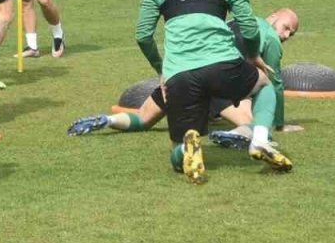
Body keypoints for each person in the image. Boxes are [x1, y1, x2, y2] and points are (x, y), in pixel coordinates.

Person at [135, 0, 292, 184]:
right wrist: (253, 55)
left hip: (180, 74)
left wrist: (163, 70)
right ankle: (259, 138)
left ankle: (187, 148)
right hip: (224, 65)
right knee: (265, 84)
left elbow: (143, 36)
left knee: (177, 153)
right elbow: (249, 26)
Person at [70, 10, 300, 144]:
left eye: (291, 32)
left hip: (181, 69)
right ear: (273, 17)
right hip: (216, 76)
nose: (286, 35)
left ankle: (107, 120)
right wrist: (279, 124)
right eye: (286, 27)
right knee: (258, 119)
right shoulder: (270, 38)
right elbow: (276, 83)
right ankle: (232, 136)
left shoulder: (238, 21)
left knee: (143, 118)